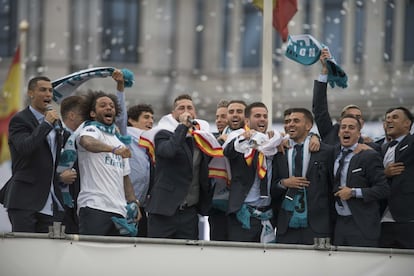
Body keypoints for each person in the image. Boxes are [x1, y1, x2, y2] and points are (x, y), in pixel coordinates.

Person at [0, 76, 67, 233]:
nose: (48, 94)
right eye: (42, 90)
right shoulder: (20, 120)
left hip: (50, 199)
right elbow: (25, 147)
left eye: (50, 91)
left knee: (46, 253)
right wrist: (45, 124)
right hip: (25, 199)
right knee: (24, 249)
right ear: (30, 93)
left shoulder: (56, 122)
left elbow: (51, 159)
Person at [146, 94, 213, 240]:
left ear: (195, 113)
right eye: (181, 108)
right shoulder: (162, 134)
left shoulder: (202, 139)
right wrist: (183, 126)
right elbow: (169, 151)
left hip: (189, 212)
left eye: (190, 108)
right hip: (164, 210)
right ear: (173, 113)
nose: (186, 111)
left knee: (187, 258)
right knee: (158, 255)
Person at [76, 91, 140, 236]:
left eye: (111, 105)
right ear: (92, 113)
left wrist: (133, 202)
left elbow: (126, 178)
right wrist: (113, 149)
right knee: (91, 254)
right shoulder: (91, 130)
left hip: (119, 211)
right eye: (103, 105)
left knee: (116, 258)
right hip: (94, 206)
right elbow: (87, 142)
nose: (109, 108)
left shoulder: (118, 140)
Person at [272, 108, 335, 245]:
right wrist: (283, 183)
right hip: (286, 225)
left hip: (317, 226)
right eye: (287, 121)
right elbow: (270, 186)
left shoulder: (326, 151)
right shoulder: (278, 150)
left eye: (296, 121)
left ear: (308, 126)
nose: (290, 124)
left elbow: (332, 188)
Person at [224, 102, 284, 243]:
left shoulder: (273, 141)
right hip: (243, 214)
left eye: (265, 116)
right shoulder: (239, 136)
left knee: (265, 261)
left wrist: (314, 136)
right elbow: (229, 150)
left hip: (267, 214)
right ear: (246, 121)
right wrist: (245, 137)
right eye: (257, 116)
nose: (262, 119)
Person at [333, 114, 389, 247]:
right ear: (339, 132)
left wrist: (353, 192)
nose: (346, 130)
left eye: (351, 127)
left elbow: (383, 189)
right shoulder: (332, 153)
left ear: (359, 134)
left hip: (362, 223)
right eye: (343, 127)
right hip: (338, 224)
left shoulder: (369, 155)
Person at [312, 48, 376, 147]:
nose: (354, 119)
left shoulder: (370, 147)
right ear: (340, 121)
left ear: (362, 123)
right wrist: (325, 71)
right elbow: (319, 109)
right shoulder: (331, 134)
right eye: (349, 116)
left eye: (358, 117)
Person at [380, 107, 414, 249]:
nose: (389, 121)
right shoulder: (381, 147)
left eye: (394, 117)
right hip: (383, 218)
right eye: (387, 118)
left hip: (408, 217)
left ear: (407, 123)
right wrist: (384, 173)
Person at [126, 103, 154, 237]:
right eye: (146, 117)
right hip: (123, 204)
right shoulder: (125, 137)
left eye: (152, 118)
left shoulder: (150, 143)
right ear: (131, 120)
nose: (151, 121)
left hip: (142, 207)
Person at [58, 95, 84, 234]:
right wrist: (59, 178)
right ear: (72, 115)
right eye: (84, 114)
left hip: (77, 204)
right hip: (58, 204)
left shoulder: (85, 138)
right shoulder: (55, 135)